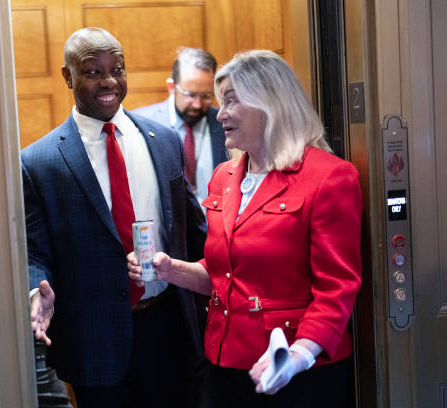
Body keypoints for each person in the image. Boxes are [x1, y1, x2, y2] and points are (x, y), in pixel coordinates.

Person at [128, 50, 363, 407]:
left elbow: (337, 289)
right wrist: (171, 269)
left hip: (298, 370)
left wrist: (298, 354)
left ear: (268, 103)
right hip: (224, 364)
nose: (219, 114)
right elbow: (224, 275)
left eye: (231, 102)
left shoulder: (330, 177)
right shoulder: (224, 177)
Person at [22, 27, 207, 408]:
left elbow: (194, 229)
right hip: (94, 340)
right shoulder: (39, 162)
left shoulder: (164, 140)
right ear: (67, 77)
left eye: (117, 69)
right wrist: (35, 291)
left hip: (169, 328)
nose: (108, 82)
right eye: (92, 72)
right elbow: (34, 251)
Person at [134, 47, 227, 204]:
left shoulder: (226, 123)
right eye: (190, 95)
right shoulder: (141, 124)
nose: (197, 104)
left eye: (205, 96)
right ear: (172, 88)